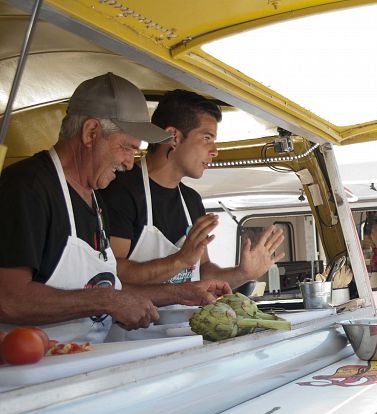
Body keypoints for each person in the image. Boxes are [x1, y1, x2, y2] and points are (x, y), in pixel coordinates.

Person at [0, 73, 230, 343]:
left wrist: (183, 293)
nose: (129, 163)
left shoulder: (93, 196)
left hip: (82, 360)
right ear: (91, 133)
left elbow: (111, 285)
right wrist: (107, 300)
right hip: (30, 372)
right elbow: (9, 299)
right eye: (126, 148)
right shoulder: (26, 187)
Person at [99, 89, 285, 291]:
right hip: (136, 323)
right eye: (207, 138)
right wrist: (179, 260)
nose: (214, 151)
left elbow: (203, 271)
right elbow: (113, 270)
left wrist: (243, 273)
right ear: (174, 137)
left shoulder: (191, 200)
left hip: (186, 322)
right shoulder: (121, 190)